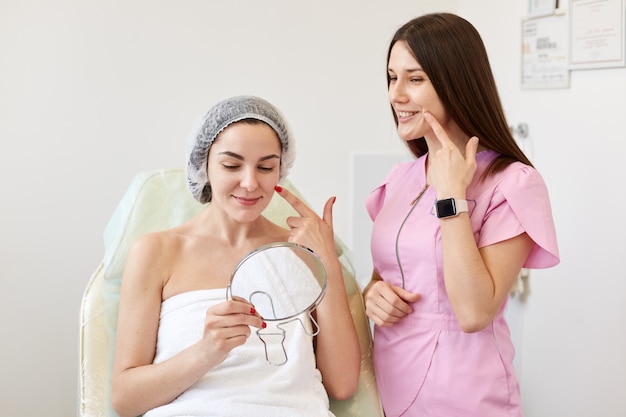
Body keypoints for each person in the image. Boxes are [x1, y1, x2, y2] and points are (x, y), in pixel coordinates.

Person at [111, 95, 360, 417]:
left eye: (266, 167)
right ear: (204, 164)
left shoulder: (302, 253)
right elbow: (126, 400)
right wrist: (207, 351)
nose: (250, 182)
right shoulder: (157, 252)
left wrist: (326, 261)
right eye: (231, 165)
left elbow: (341, 384)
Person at [363, 13, 559, 417]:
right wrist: (373, 295)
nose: (396, 94)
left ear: (456, 82)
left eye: (414, 79)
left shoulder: (512, 182)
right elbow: (389, 274)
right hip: (388, 386)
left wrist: (452, 196)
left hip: (463, 395)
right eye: (391, 77)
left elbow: (473, 311)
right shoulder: (400, 178)